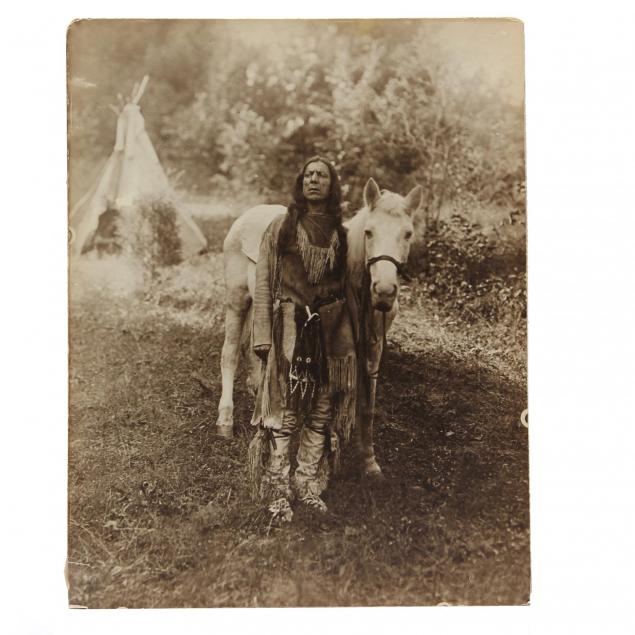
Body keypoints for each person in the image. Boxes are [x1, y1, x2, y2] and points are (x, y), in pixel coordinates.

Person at [248, 156, 357, 522]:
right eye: (308, 174)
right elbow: (264, 280)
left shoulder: (341, 233)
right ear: (301, 182)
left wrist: (348, 338)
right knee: (286, 409)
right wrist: (262, 333)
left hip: (329, 330)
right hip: (291, 327)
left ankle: (307, 486)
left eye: (321, 175)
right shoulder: (282, 226)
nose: (314, 180)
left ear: (331, 185)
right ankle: (277, 489)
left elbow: (349, 286)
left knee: (321, 410)